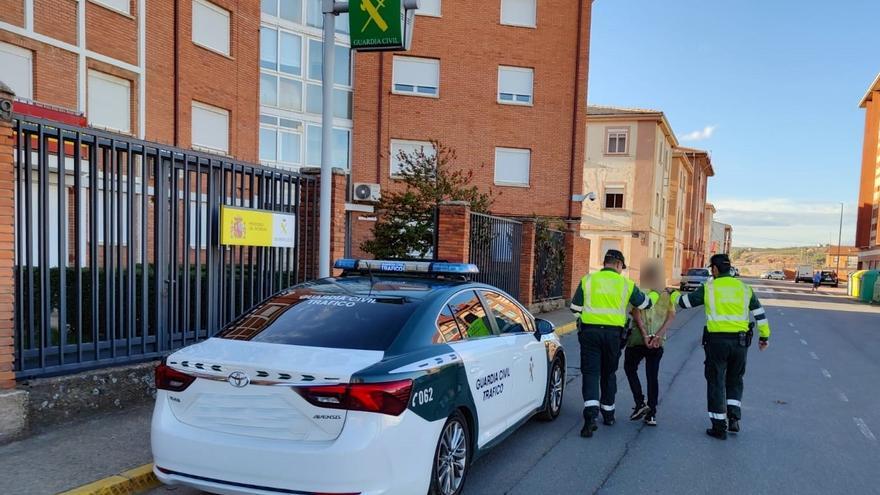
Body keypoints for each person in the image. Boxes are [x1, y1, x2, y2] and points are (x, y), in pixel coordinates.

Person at [677, 254, 771, 440]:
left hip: (717, 343)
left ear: (716, 269)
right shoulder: (744, 289)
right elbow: (759, 313)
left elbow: (685, 303)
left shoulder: (709, 288)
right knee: (735, 379)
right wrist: (764, 336)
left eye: (712, 268)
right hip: (740, 343)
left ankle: (719, 426)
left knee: (716, 381)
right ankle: (734, 418)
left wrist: (672, 295)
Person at [570, 249, 653, 438]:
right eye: (621, 267)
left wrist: (587, 318)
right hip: (613, 336)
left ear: (605, 262)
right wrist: (654, 296)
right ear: (617, 264)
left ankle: (590, 418)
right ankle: (608, 415)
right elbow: (644, 304)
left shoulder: (588, 280)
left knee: (591, 374)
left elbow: (575, 309)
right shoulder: (626, 284)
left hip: (589, 333)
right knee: (608, 374)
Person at [624, 263, 677, 426]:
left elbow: (635, 313)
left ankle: (640, 402)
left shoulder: (639, 292)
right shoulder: (666, 295)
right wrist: (658, 336)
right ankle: (652, 414)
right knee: (652, 376)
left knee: (629, 368)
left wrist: (645, 334)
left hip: (638, 340)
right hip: (657, 342)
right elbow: (671, 317)